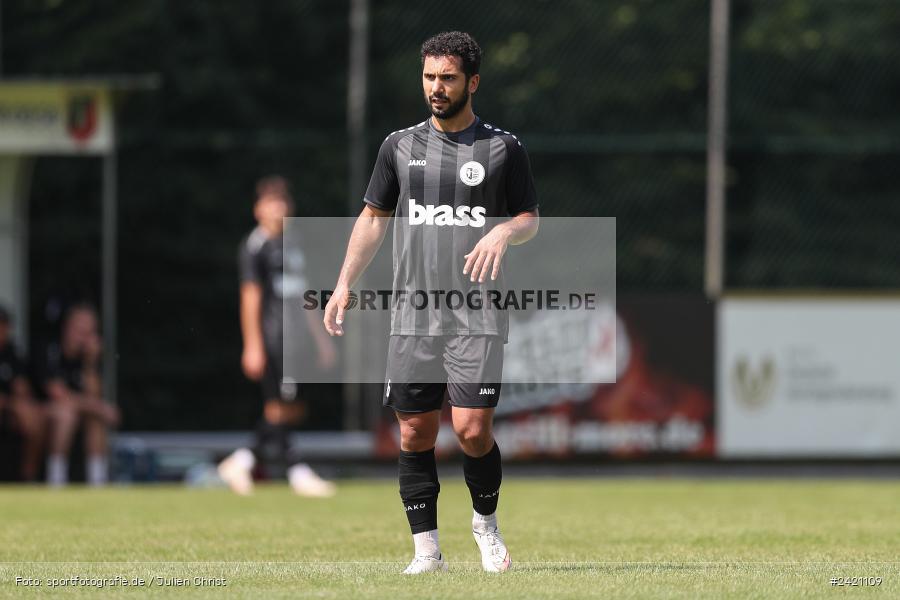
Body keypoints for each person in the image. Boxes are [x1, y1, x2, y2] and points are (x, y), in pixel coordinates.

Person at [323, 31, 539, 574]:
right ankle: (427, 552)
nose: (436, 88)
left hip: (478, 313)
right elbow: (374, 219)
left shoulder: (503, 148)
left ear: (473, 81)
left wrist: (503, 233)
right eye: (428, 77)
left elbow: (530, 218)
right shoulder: (398, 146)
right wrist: (345, 281)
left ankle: (485, 524)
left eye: (447, 77)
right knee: (416, 431)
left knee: (471, 430)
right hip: (413, 314)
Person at [218, 175, 337, 497]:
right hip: (274, 338)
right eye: (271, 202)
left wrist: (322, 339)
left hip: (298, 339)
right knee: (279, 408)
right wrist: (253, 345)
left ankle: (242, 460)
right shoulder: (254, 246)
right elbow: (250, 298)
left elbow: (304, 296)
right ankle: (298, 472)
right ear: (258, 209)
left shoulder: (294, 244)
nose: (278, 208)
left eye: (283, 202)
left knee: (293, 407)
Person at [42, 303, 119, 486]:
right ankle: (56, 480)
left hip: (78, 413)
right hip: (42, 411)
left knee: (94, 419)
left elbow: (93, 395)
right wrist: (101, 408)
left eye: (90, 331)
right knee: (66, 414)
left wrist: (90, 363)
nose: (86, 336)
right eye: (81, 329)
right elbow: (57, 394)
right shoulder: (49, 350)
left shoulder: (88, 358)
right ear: (67, 327)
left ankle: (97, 481)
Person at [0, 305, 45, 481]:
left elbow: (21, 388)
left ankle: (28, 478)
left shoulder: (12, 353)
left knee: (34, 418)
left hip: (10, 408)